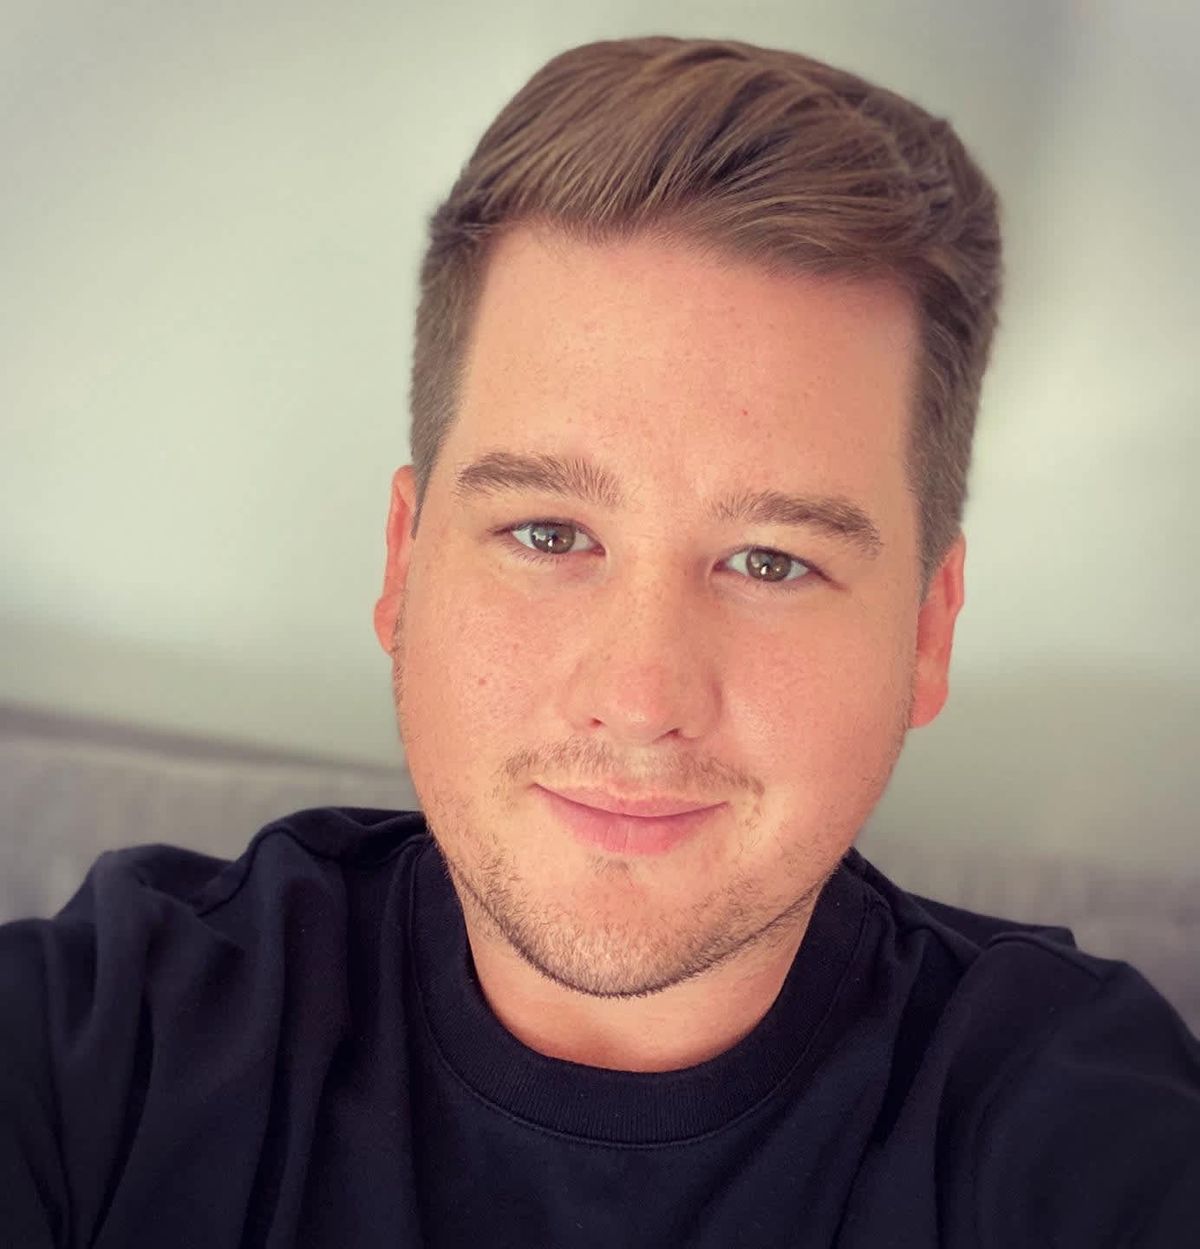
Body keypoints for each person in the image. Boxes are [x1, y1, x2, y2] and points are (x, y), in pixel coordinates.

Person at [2, 34, 1197, 1249]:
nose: (638, 697)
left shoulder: (1076, 1125)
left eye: (771, 560)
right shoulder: (105, 1050)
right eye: (548, 533)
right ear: (404, 565)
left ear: (930, 630)